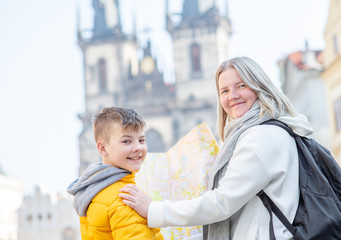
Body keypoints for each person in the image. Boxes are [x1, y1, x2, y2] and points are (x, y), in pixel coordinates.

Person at [119, 56, 314, 240]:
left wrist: (154, 209)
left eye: (241, 85)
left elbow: (222, 203)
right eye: (225, 91)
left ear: (259, 86)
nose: (233, 96)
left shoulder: (261, 137)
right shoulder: (265, 130)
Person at [67, 107, 163, 240]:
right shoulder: (127, 198)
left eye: (141, 140)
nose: (138, 147)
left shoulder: (93, 190)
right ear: (102, 148)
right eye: (126, 141)